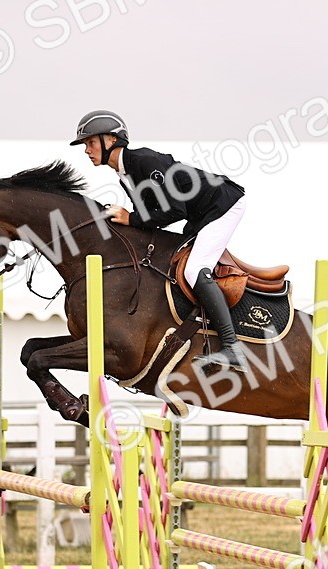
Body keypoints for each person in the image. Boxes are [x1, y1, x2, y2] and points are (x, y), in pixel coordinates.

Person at [70, 109, 248, 372]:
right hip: (200, 214)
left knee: (194, 270)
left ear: (111, 140)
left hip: (223, 204)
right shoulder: (125, 174)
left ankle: (233, 348)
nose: (87, 150)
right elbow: (150, 217)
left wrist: (131, 219)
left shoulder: (144, 162)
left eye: (90, 142)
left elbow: (173, 210)